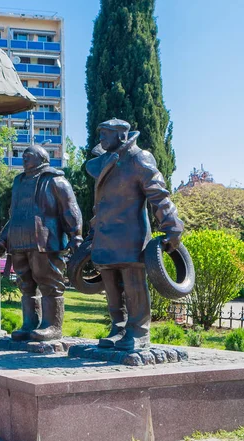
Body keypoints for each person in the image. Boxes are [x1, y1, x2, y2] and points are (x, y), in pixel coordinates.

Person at [83, 118, 184, 351]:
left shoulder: (139, 158)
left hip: (131, 235)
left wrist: (172, 226)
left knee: (133, 284)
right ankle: (118, 328)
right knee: (110, 284)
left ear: (121, 135)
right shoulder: (107, 160)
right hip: (105, 234)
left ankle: (138, 331)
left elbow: (158, 195)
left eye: (105, 134)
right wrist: (93, 231)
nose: (101, 139)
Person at [0, 145, 83, 341]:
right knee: (25, 284)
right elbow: (14, 216)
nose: (23, 159)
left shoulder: (55, 180)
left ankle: (52, 325)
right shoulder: (19, 182)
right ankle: (29, 324)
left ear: (42, 158)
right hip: (19, 242)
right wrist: (2, 241)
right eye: (22, 156)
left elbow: (70, 210)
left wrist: (76, 236)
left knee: (50, 283)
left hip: (45, 242)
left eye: (28, 156)